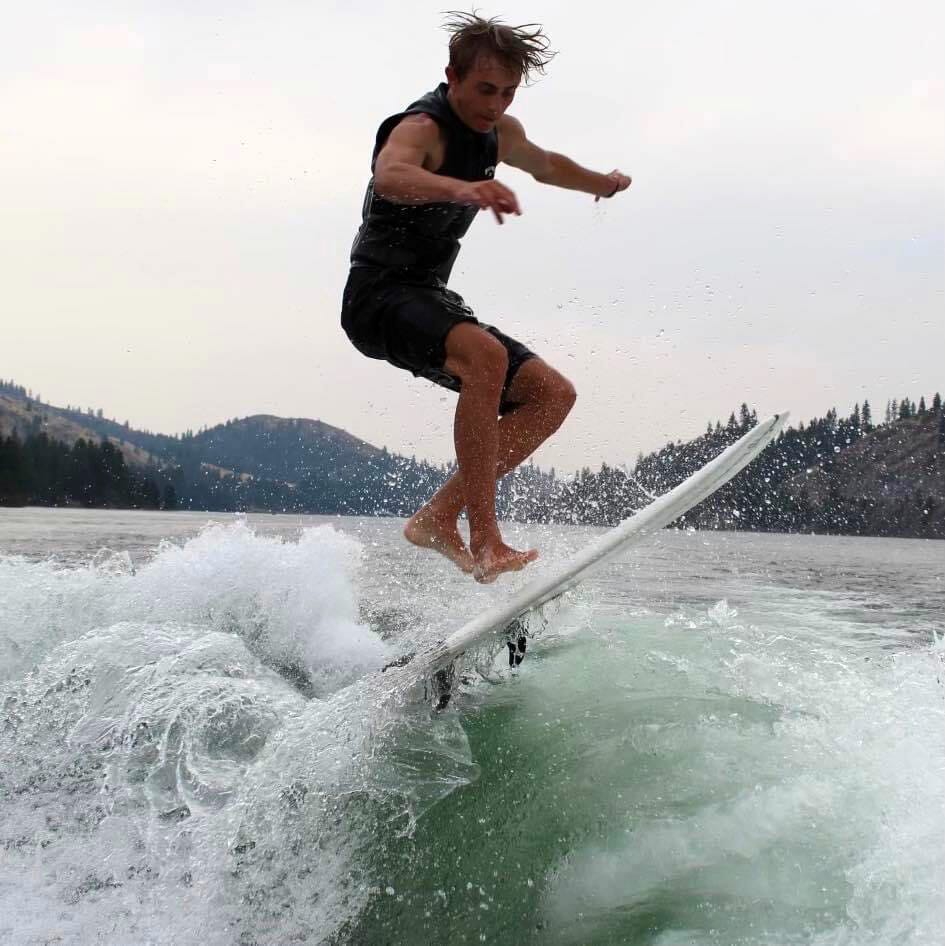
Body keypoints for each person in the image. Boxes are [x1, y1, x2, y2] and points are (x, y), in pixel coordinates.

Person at [341, 12, 631, 583]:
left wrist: (601, 182)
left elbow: (546, 165)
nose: (495, 103)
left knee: (552, 394)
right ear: (452, 75)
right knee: (487, 359)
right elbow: (390, 176)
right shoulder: (422, 127)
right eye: (484, 89)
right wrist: (462, 187)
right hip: (377, 296)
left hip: (428, 297)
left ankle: (438, 518)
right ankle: (487, 540)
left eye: (507, 92)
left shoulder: (500, 132)